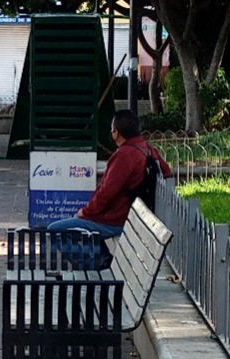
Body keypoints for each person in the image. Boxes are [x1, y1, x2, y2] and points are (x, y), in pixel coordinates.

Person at [47, 110, 171, 266]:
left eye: (112, 129)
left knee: (55, 230)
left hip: (115, 219)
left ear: (116, 133)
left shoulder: (124, 155)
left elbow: (106, 192)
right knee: (79, 227)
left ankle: (96, 265)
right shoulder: (148, 150)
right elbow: (167, 173)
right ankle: (103, 258)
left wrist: (85, 212)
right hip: (132, 216)